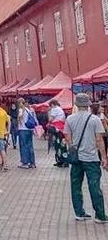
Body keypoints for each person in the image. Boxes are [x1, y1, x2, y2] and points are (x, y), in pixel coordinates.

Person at [63, 93, 108, 223]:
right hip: (91, 158)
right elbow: (99, 140)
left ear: (76, 104)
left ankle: (79, 213)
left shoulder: (70, 119)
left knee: (76, 185)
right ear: (88, 104)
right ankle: (100, 215)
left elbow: (67, 136)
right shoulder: (94, 120)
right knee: (94, 185)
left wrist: (73, 147)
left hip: (76, 159)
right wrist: (104, 157)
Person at [17, 97, 37, 169]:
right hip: (29, 129)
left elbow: (19, 118)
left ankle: (25, 162)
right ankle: (32, 162)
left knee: (23, 146)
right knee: (30, 146)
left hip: (23, 129)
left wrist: (18, 119)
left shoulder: (21, 110)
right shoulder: (28, 110)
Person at [47, 99, 68, 167]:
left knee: (58, 145)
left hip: (57, 129)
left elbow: (50, 119)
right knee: (62, 145)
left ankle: (61, 160)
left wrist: (49, 112)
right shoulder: (60, 109)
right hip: (61, 128)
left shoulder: (54, 109)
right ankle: (63, 160)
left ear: (52, 105)